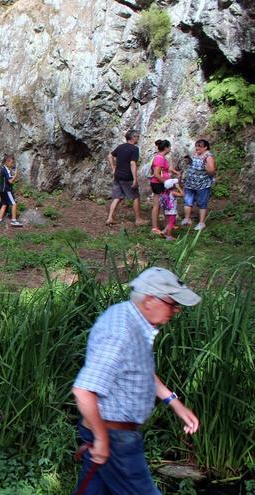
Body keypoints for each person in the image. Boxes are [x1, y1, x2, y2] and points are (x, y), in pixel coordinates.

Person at [72, 267, 201, 495]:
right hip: (115, 438)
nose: (176, 310)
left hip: (116, 436)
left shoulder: (134, 321)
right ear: (150, 299)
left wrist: (174, 402)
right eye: (172, 303)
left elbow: (140, 370)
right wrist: (102, 439)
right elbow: (83, 390)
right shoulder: (120, 332)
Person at [106, 129, 146, 226]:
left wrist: (113, 168)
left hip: (118, 176)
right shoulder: (134, 149)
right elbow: (133, 163)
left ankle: (110, 218)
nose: (138, 138)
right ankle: (138, 220)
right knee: (135, 197)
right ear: (133, 137)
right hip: (127, 177)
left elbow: (110, 156)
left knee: (117, 197)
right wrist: (135, 179)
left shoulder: (120, 147)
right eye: (137, 136)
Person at [181, 139, 217, 231]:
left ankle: (201, 223)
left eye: (199, 146)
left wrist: (206, 166)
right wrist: (188, 161)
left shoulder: (208, 156)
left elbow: (212, 171)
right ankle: (187, 219)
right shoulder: (195, 154)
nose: (197, 148)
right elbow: (192, 164)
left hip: (202, 184)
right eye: (196, 146)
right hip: (190, 183)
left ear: (205, 147)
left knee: (202, 203)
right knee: (188, 201)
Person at [149, 140, 178, 235]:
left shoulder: (160, 157)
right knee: (157, 205)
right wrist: (166, 182)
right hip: (158, 184)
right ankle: (155, 228)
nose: (170, 148)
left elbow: (166, 168)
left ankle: (168, 224)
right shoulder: (160, 158)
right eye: (169, 147)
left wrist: (175, 172)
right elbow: (156, 174)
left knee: (165, 204)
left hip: (159, 183)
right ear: (166, 148)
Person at [0, 154, 22, 227]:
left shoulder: (4, 169)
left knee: (4, 204)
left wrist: (14, 178)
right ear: (7, 162)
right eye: (12, 162)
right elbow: (10, 181)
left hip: (2, 190)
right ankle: (14, 221)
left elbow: (9, 180)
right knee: (14, 203)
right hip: (6, 190)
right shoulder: (5, 170)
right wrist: (15, 175)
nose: (12, 164)